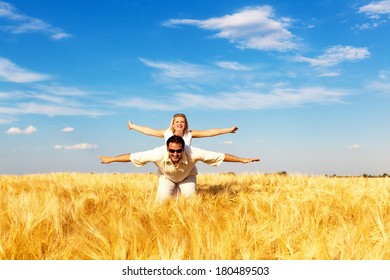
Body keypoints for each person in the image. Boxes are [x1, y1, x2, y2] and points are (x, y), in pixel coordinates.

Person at [98, 135, 260, 202]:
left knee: (190, 201)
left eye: (178, 150)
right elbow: (132, 156)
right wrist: (111, 159)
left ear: (184, 148)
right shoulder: (157, 154)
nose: (175, 154)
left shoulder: (193, 152)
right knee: (161, 202)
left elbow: (221, 155)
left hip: (187, 177)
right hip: (166, 177)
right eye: (172, 150)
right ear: (167, 148)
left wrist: (242, 160)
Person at [128, 113, 238, 145]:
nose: (179, 124)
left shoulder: (190, 133)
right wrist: (133, 126)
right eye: (177, 122)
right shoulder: (166, 132)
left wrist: (228, 130)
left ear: (185, 124)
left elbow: (209, 132)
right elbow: (149, 131)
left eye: (182, 122)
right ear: (173, 123)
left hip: (186, 166)